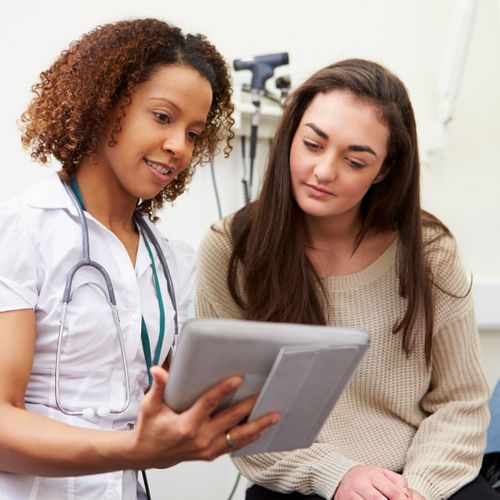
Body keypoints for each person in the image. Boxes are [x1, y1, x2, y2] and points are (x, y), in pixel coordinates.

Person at [0, 18, 280, 499]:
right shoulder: (21, 230)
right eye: (163, 117)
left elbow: (169, 404)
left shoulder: (172, 263)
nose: (178, 148)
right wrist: (130, 448)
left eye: (194, 133)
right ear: (106, 104)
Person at [195, 59, 497, 499]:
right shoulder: (231, 248)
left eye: (354, 161)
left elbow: (461, 402)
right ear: (291, 135)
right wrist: (338, 475)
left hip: (420, 481)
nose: (323, 171)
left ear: (385, 170)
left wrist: (416, 490)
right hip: (304, 480)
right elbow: (237, 418)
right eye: (313, 145)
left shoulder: (429, 252)